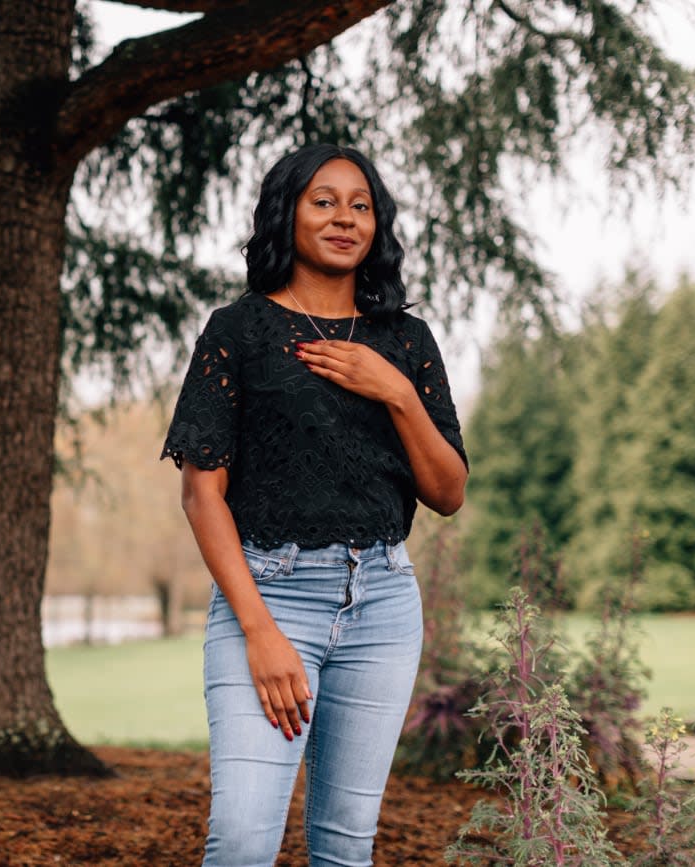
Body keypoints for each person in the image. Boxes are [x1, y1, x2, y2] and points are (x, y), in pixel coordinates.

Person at [160, 143, 469, 867]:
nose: (344, 218)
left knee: (344, 847)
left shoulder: (405, 341)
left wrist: (393, 388)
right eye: (323, 201)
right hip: (270, 594)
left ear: (378, 224)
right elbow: (202, 495)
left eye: (361, 205)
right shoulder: (239, 331)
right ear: (287, 212)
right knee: (240, 840)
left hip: (384, 603)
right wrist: (260, 631)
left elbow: (448, 491)